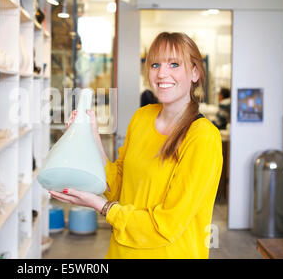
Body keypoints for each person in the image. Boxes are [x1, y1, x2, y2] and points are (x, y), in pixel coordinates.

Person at [49, 32, 223, 259]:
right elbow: (116, 187)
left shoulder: (203, 137)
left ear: (194, 72)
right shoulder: (142, 117)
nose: (162, 73)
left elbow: (166, 226)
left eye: (174, 64)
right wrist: (91, 137)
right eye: (155, 64)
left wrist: (101, 207)